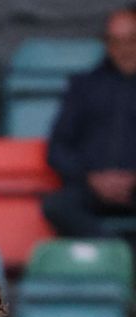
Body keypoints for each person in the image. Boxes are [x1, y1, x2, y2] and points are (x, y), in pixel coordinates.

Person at [43, 7, 136, 241]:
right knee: (57, 205)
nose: (124, 50)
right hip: (90, 186)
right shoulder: (84, 86)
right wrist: (92, 178)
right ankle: (119, 255)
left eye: (131, 40)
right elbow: (58, 148)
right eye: (115, 42)